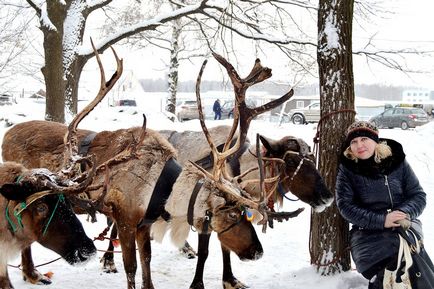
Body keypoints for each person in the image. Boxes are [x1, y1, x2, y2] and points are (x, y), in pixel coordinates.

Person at [335, 121, 427, 289]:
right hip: (367, 233)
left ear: (375, 141)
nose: (359, 145)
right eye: (354, 142)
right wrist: (382, 220)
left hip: (403, 227)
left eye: (364, 139)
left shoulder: (397, 162)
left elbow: (418, 195)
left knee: (412, 264)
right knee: (392, 263)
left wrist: (403, 213)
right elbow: (345, 206)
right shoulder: (348, 169)